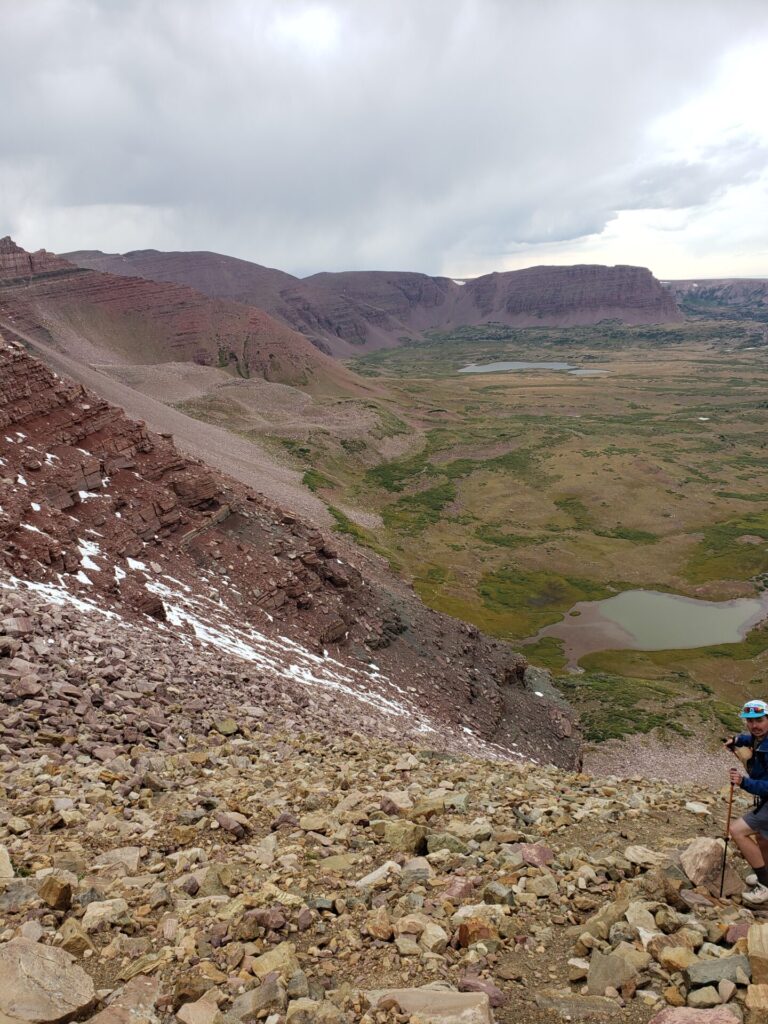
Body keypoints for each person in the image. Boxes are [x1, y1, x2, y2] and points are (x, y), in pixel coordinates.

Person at [725, 699, 768, 905]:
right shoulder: (759, 737)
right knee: (762, 837)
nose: (754, 726)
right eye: (749, 721)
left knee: (737, 831)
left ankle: (765, 885)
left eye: (759, 720)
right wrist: (736, 740)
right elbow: (751, 739)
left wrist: (743, 782)